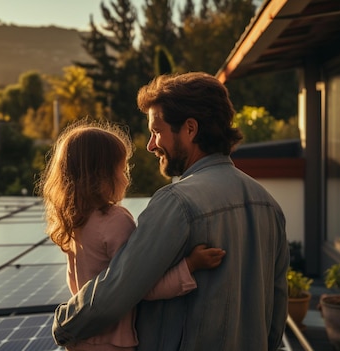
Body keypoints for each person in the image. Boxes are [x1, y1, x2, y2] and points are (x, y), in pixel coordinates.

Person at [52, 72, 289, 351]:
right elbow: (276, 315)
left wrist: (64, 323)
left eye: (156, 131)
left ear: (190, 129)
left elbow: (117, 292)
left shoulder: (176, 203)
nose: (151, 145)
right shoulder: (269, 205)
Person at [39, 120, 226, 351]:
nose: (126, 177)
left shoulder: (73, 222)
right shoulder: (115, 220)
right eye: (122, 168)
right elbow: (140, 286)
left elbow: (79, 285)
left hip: (81, 339)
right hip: (112, 343)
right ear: (104, 174)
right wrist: (190, 265)